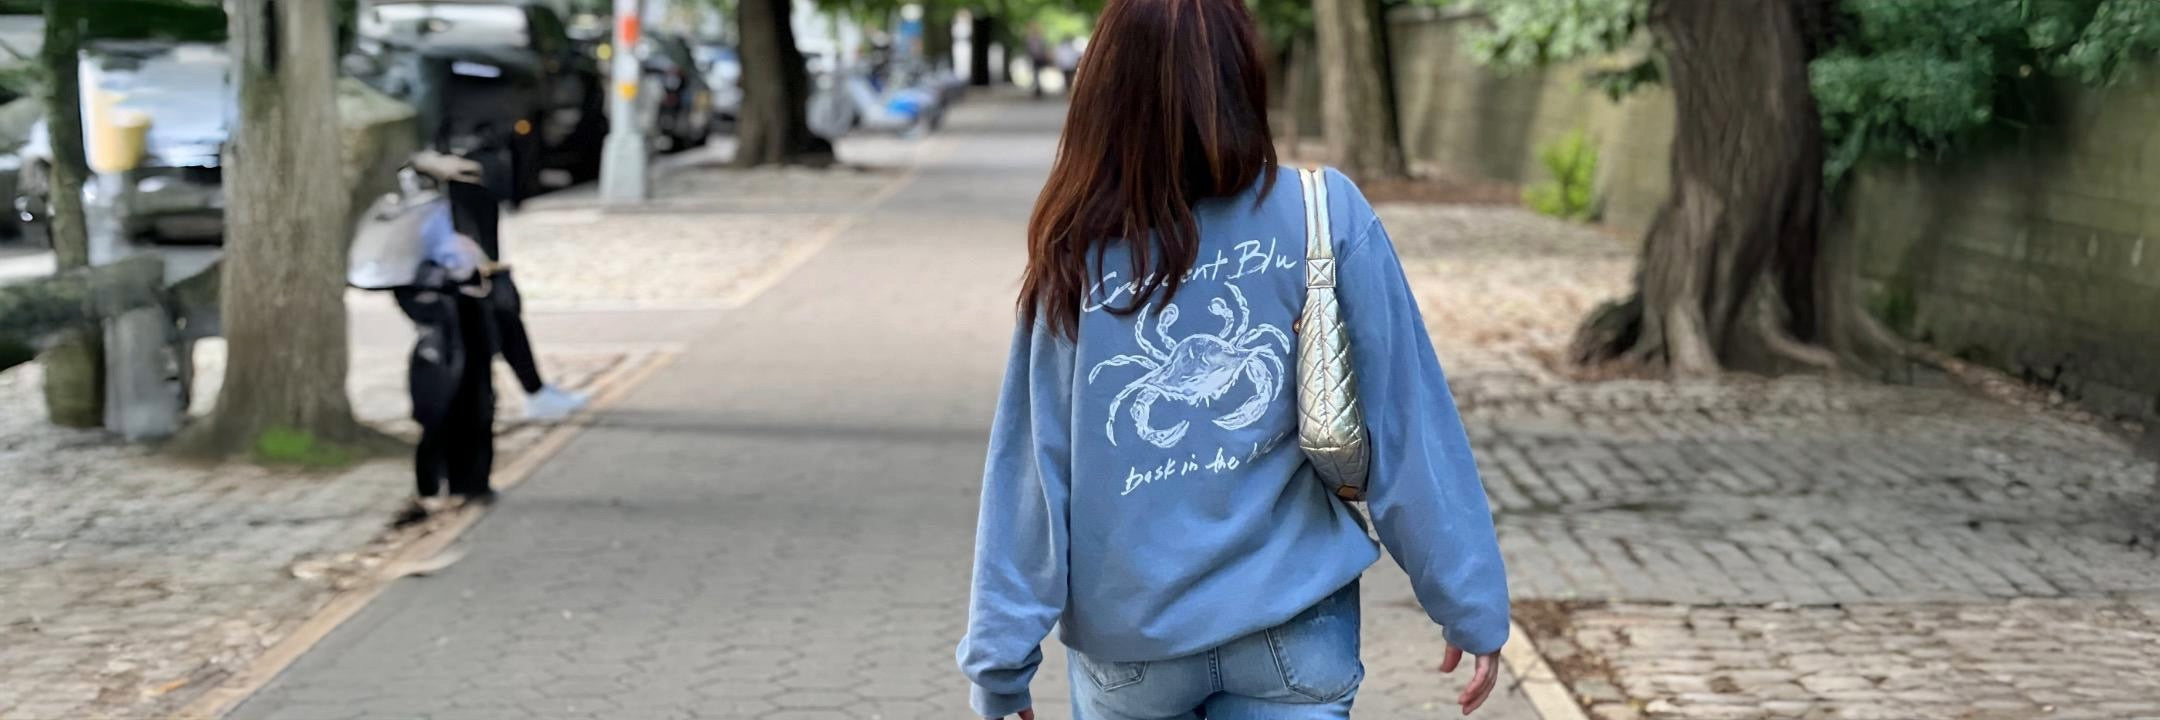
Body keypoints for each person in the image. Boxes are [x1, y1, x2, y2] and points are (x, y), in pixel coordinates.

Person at [955, 0, 1510, 718]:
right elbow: (1408, 421)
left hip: (1132, 647)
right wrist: (1469, 602)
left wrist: (1000, 663)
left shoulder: (1076, 248)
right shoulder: (1325, 212)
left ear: (1104, 88)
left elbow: (1033, 470)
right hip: (1292, 622)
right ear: (1242, 77)